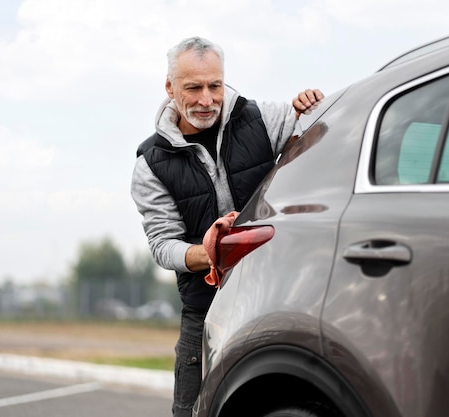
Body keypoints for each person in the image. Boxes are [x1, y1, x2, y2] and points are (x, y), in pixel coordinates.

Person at [130, 36, 323, 417]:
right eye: (194, 87)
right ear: (170, 87)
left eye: (214, 85)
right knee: (189, 411)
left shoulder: (263, 119)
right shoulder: (149, 164)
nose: (207, 99)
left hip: (277, 298)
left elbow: (326, 131)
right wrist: (209, 254)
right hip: (204, 310)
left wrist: (311, 106)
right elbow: (162, 244)